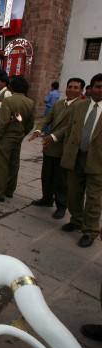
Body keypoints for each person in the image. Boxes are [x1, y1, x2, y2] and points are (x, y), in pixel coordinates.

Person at [29, 77, 85, 218]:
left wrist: (54, 136)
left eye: (75, 88)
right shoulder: (59, 103)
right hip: (50, 147)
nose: (72, 90)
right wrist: (38, 130)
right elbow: (47, 118)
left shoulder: (81, 106)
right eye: (70, 86)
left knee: (61, 180)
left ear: (81, 90)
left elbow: (71, 126)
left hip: (65, 148)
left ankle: (61, 206)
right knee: (46, 175)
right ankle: (46, 198)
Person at [60, 73, 102, 248]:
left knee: (93, 198)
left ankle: (90, 231)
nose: (101, 90)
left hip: (98, 161)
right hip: (76, 157)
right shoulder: (80, 106)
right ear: (91, 88)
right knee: (74, 193)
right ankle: (76, 220)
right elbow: (70, 129)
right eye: (98, 86)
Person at [0, 76, 35, 202]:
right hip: (18, 137)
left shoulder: (9, 101)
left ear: (12, 87)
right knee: (14, 164)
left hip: (6, 137)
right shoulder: (30, 102)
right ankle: (10, 190)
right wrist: (22, 134)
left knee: (2, 165)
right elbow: (30, 124)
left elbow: (2, 122)